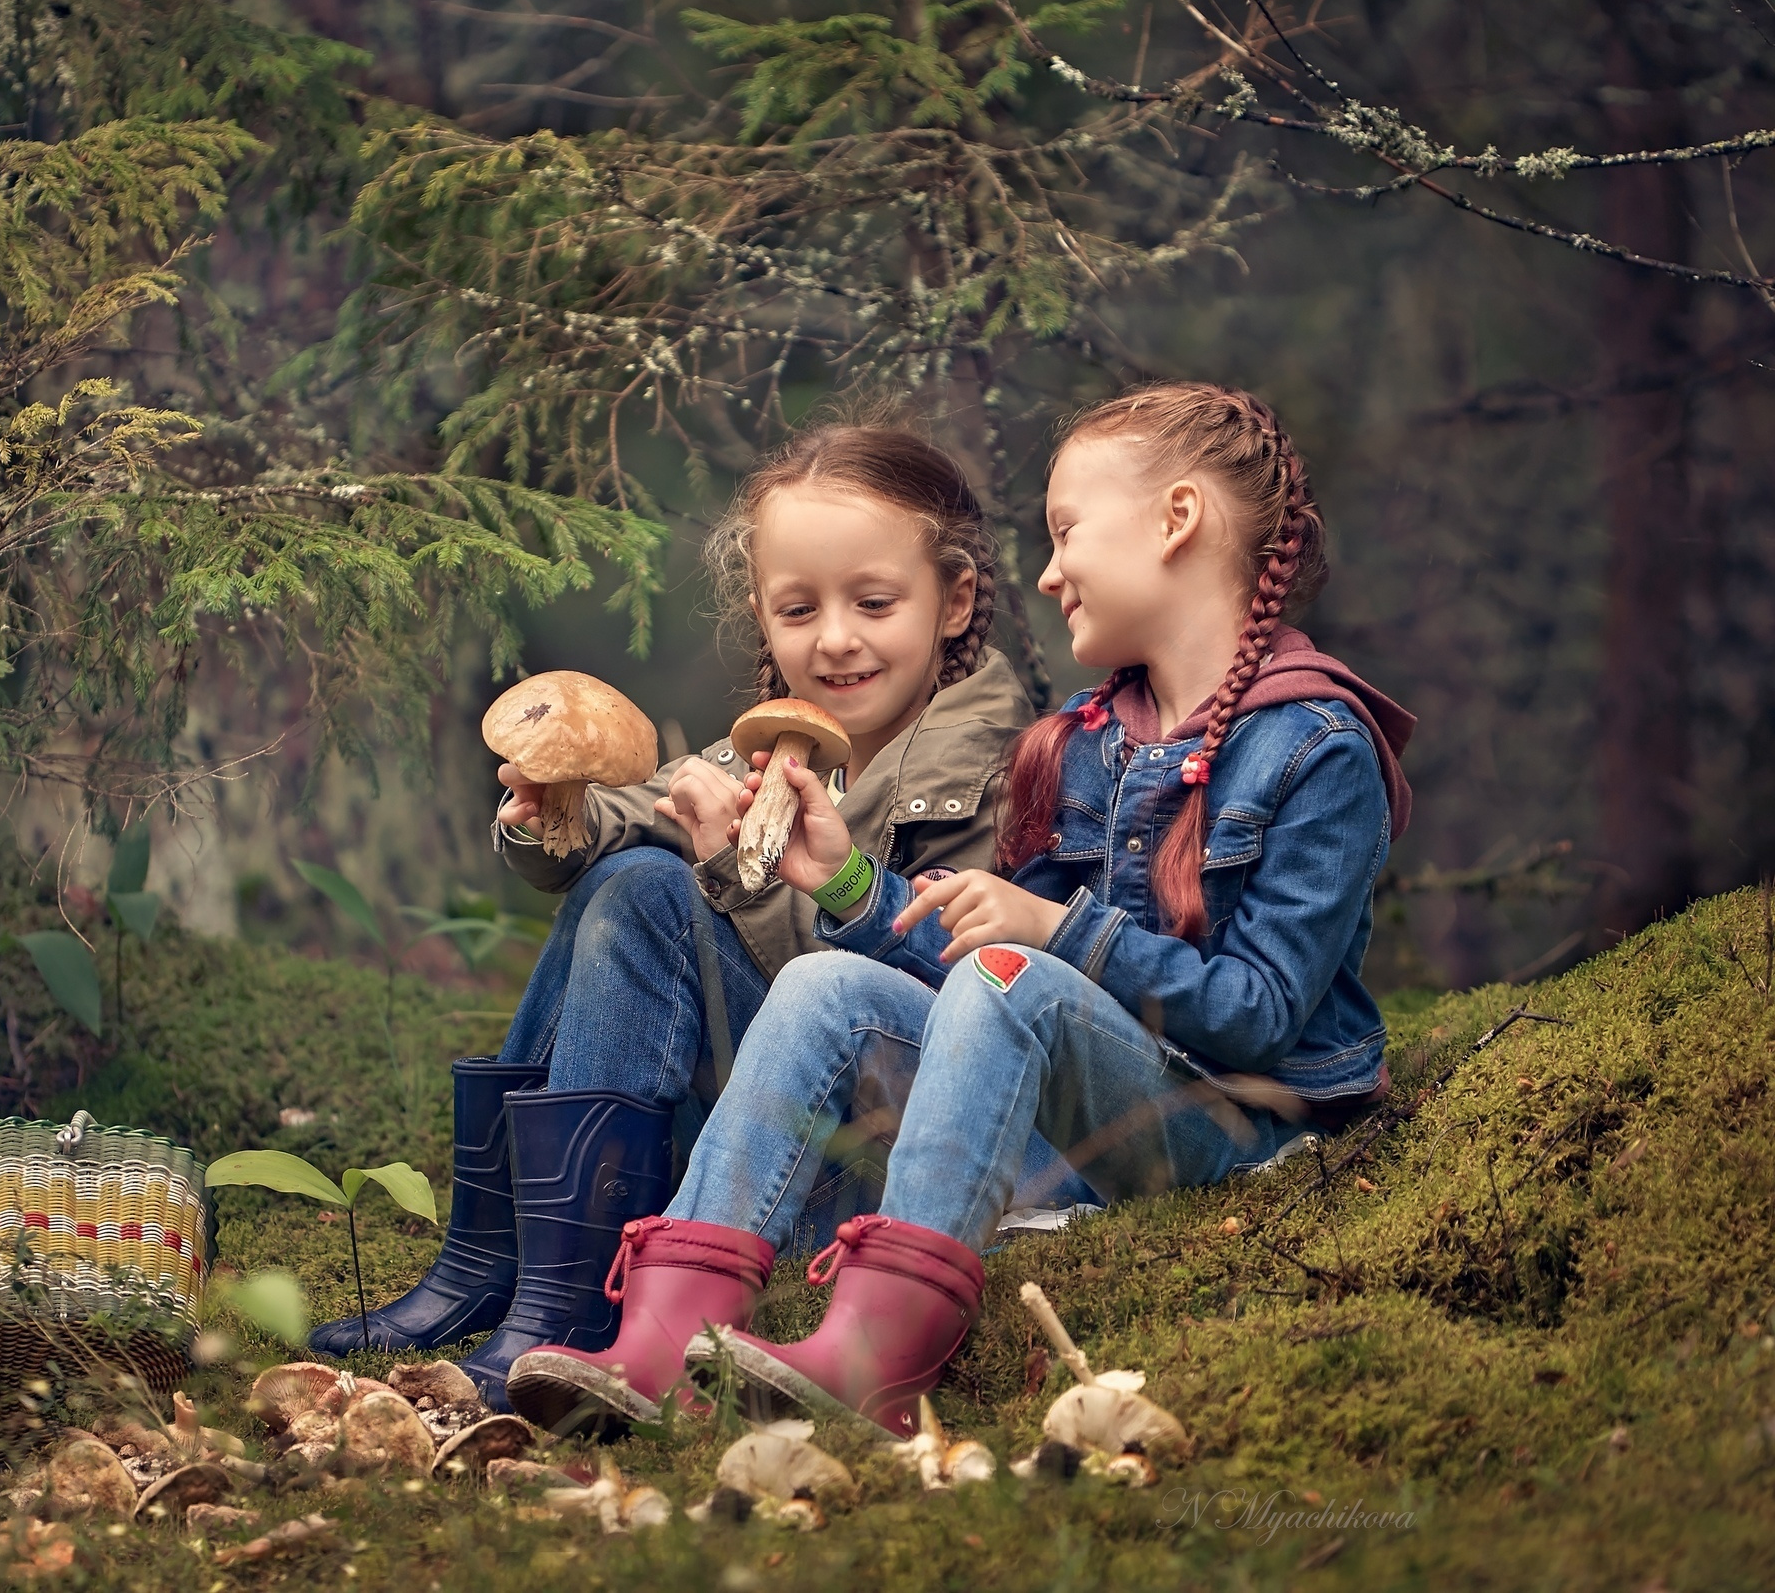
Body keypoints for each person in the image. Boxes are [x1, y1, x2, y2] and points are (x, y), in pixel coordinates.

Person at [507, 381, 1415, 1438]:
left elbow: (1258, 1013)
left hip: (1238, 1130)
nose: (1047, 568)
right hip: (1089, 1108)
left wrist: (1055, 933)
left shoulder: (1315, 747)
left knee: (1009, 974)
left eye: (1067, 530)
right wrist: (847, 884)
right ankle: (661, 1339)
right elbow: (975, 971)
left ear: (1176, 520)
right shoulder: (1082, 742)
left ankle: (875, 1350)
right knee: (821, 981)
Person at [302, 420, 1038, 1411]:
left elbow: (906, 999)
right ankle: (499, 1257)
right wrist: (550, 817)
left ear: (951, 602)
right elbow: (640, 805)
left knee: (648, 893)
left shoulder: (986, 766)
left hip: (863, 1166)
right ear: (759, 613)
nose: (833, 637)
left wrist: (735, 877)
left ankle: (557, 1287)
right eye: (796, 606)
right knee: (622, 875)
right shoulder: (782, 742)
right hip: (772, 1120)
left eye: (873, 601)